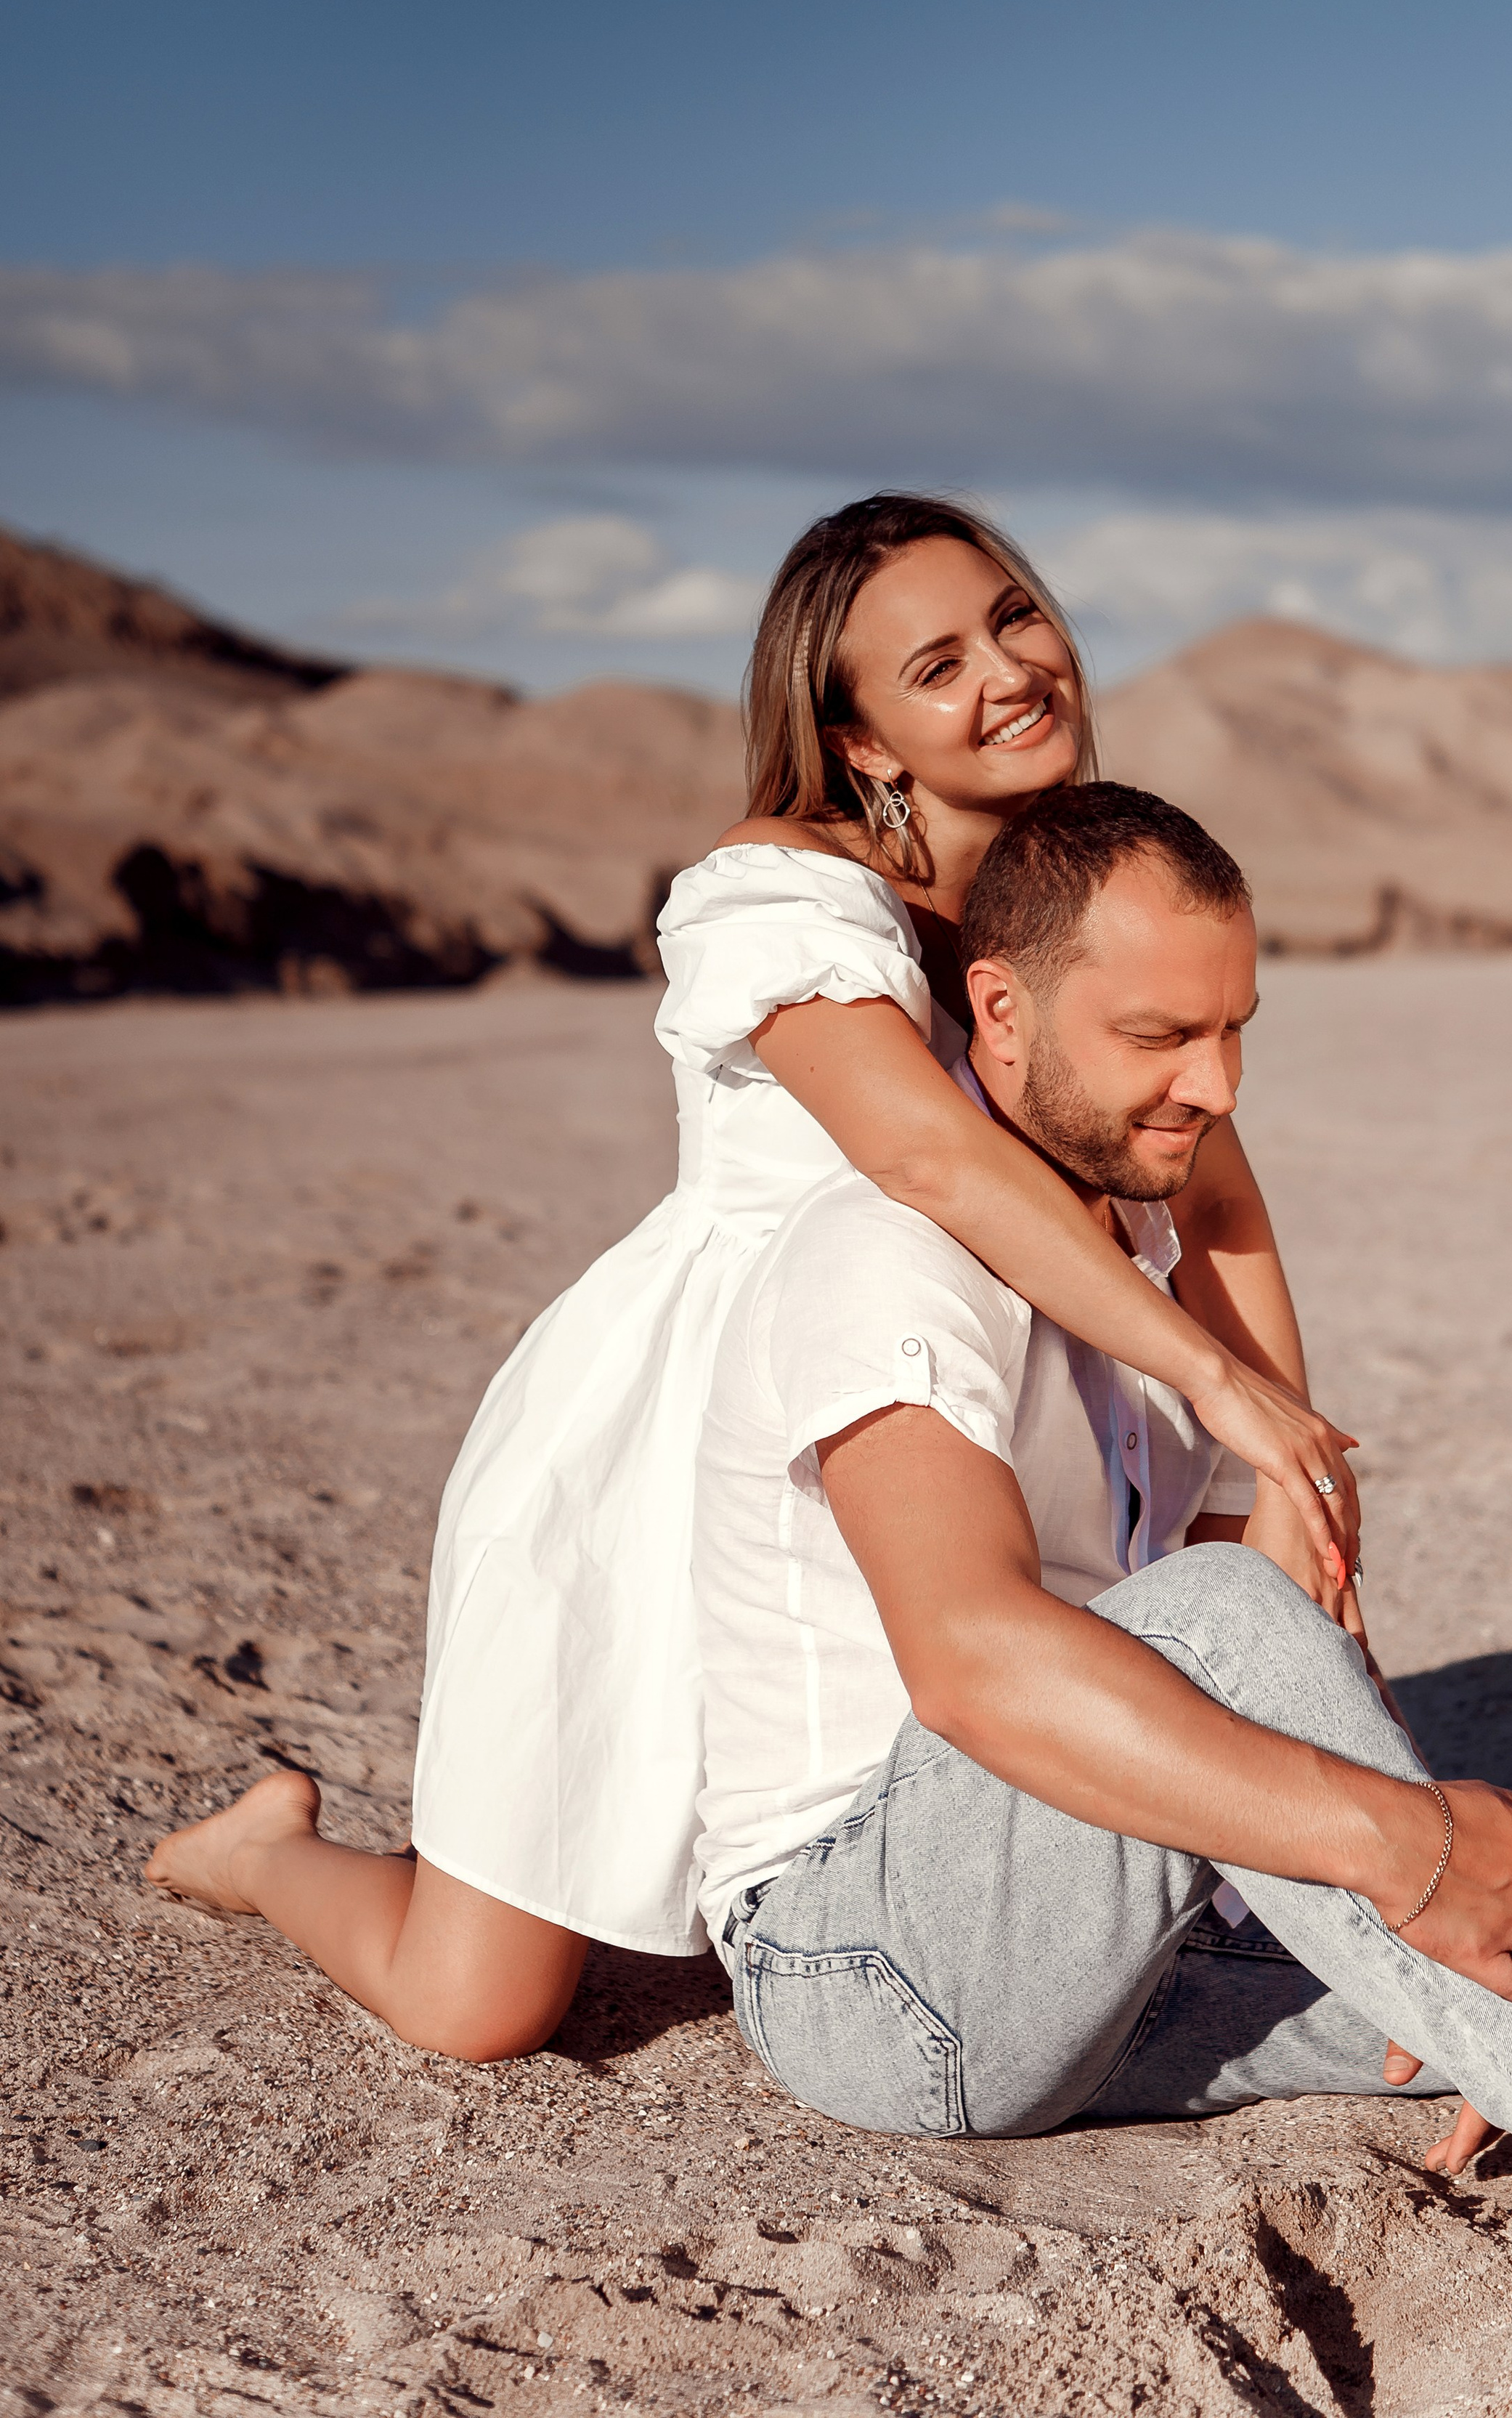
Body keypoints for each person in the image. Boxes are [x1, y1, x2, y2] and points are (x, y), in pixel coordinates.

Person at [145, 495, 1360, 2060]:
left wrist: (1281, 1461)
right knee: (482, 2004)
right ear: (854, 735)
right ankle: (267, 1854)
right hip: (677, 1437)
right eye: (933, 664)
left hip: (927, 1407)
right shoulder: (778, 895)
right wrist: (1208, 1384)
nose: (1004, 671)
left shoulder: (1068, 889)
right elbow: (927, 1160)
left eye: (1011, 617)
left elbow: (1213, 1178)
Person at [694, 780, 1512, 2334]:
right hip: (878, 1967)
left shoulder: (1140, 1256)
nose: (1213, 1082)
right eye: (1159, 1036)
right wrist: (1393, 1851)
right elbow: (972, 1660)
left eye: (1234, 1030)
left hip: (1132, 1903)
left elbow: (1279, 1674)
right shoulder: (882, 1260)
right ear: (999, 1009)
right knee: (1223, 1612)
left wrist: (1412, 1940)